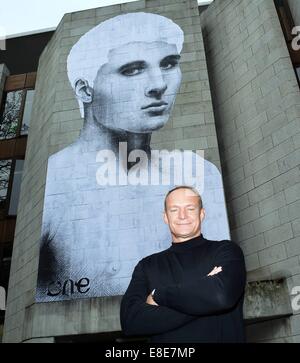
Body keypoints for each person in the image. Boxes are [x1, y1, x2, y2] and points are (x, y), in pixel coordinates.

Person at [36, 13, 230, 302]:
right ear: (85, 89)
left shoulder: (199, 174)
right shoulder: (54, 183)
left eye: (168, 64)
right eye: (131, 70)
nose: (158, 85)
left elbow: (221, 282)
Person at [120, 186, 246, 343]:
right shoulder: (147, 266)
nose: (182, 216)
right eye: (174, 210)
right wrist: (204, 295)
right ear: (165, 217)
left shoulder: (226, 251)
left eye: (190, 208)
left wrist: (158, 296)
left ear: (202, 213)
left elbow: (220, 297)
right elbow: (131, 322)